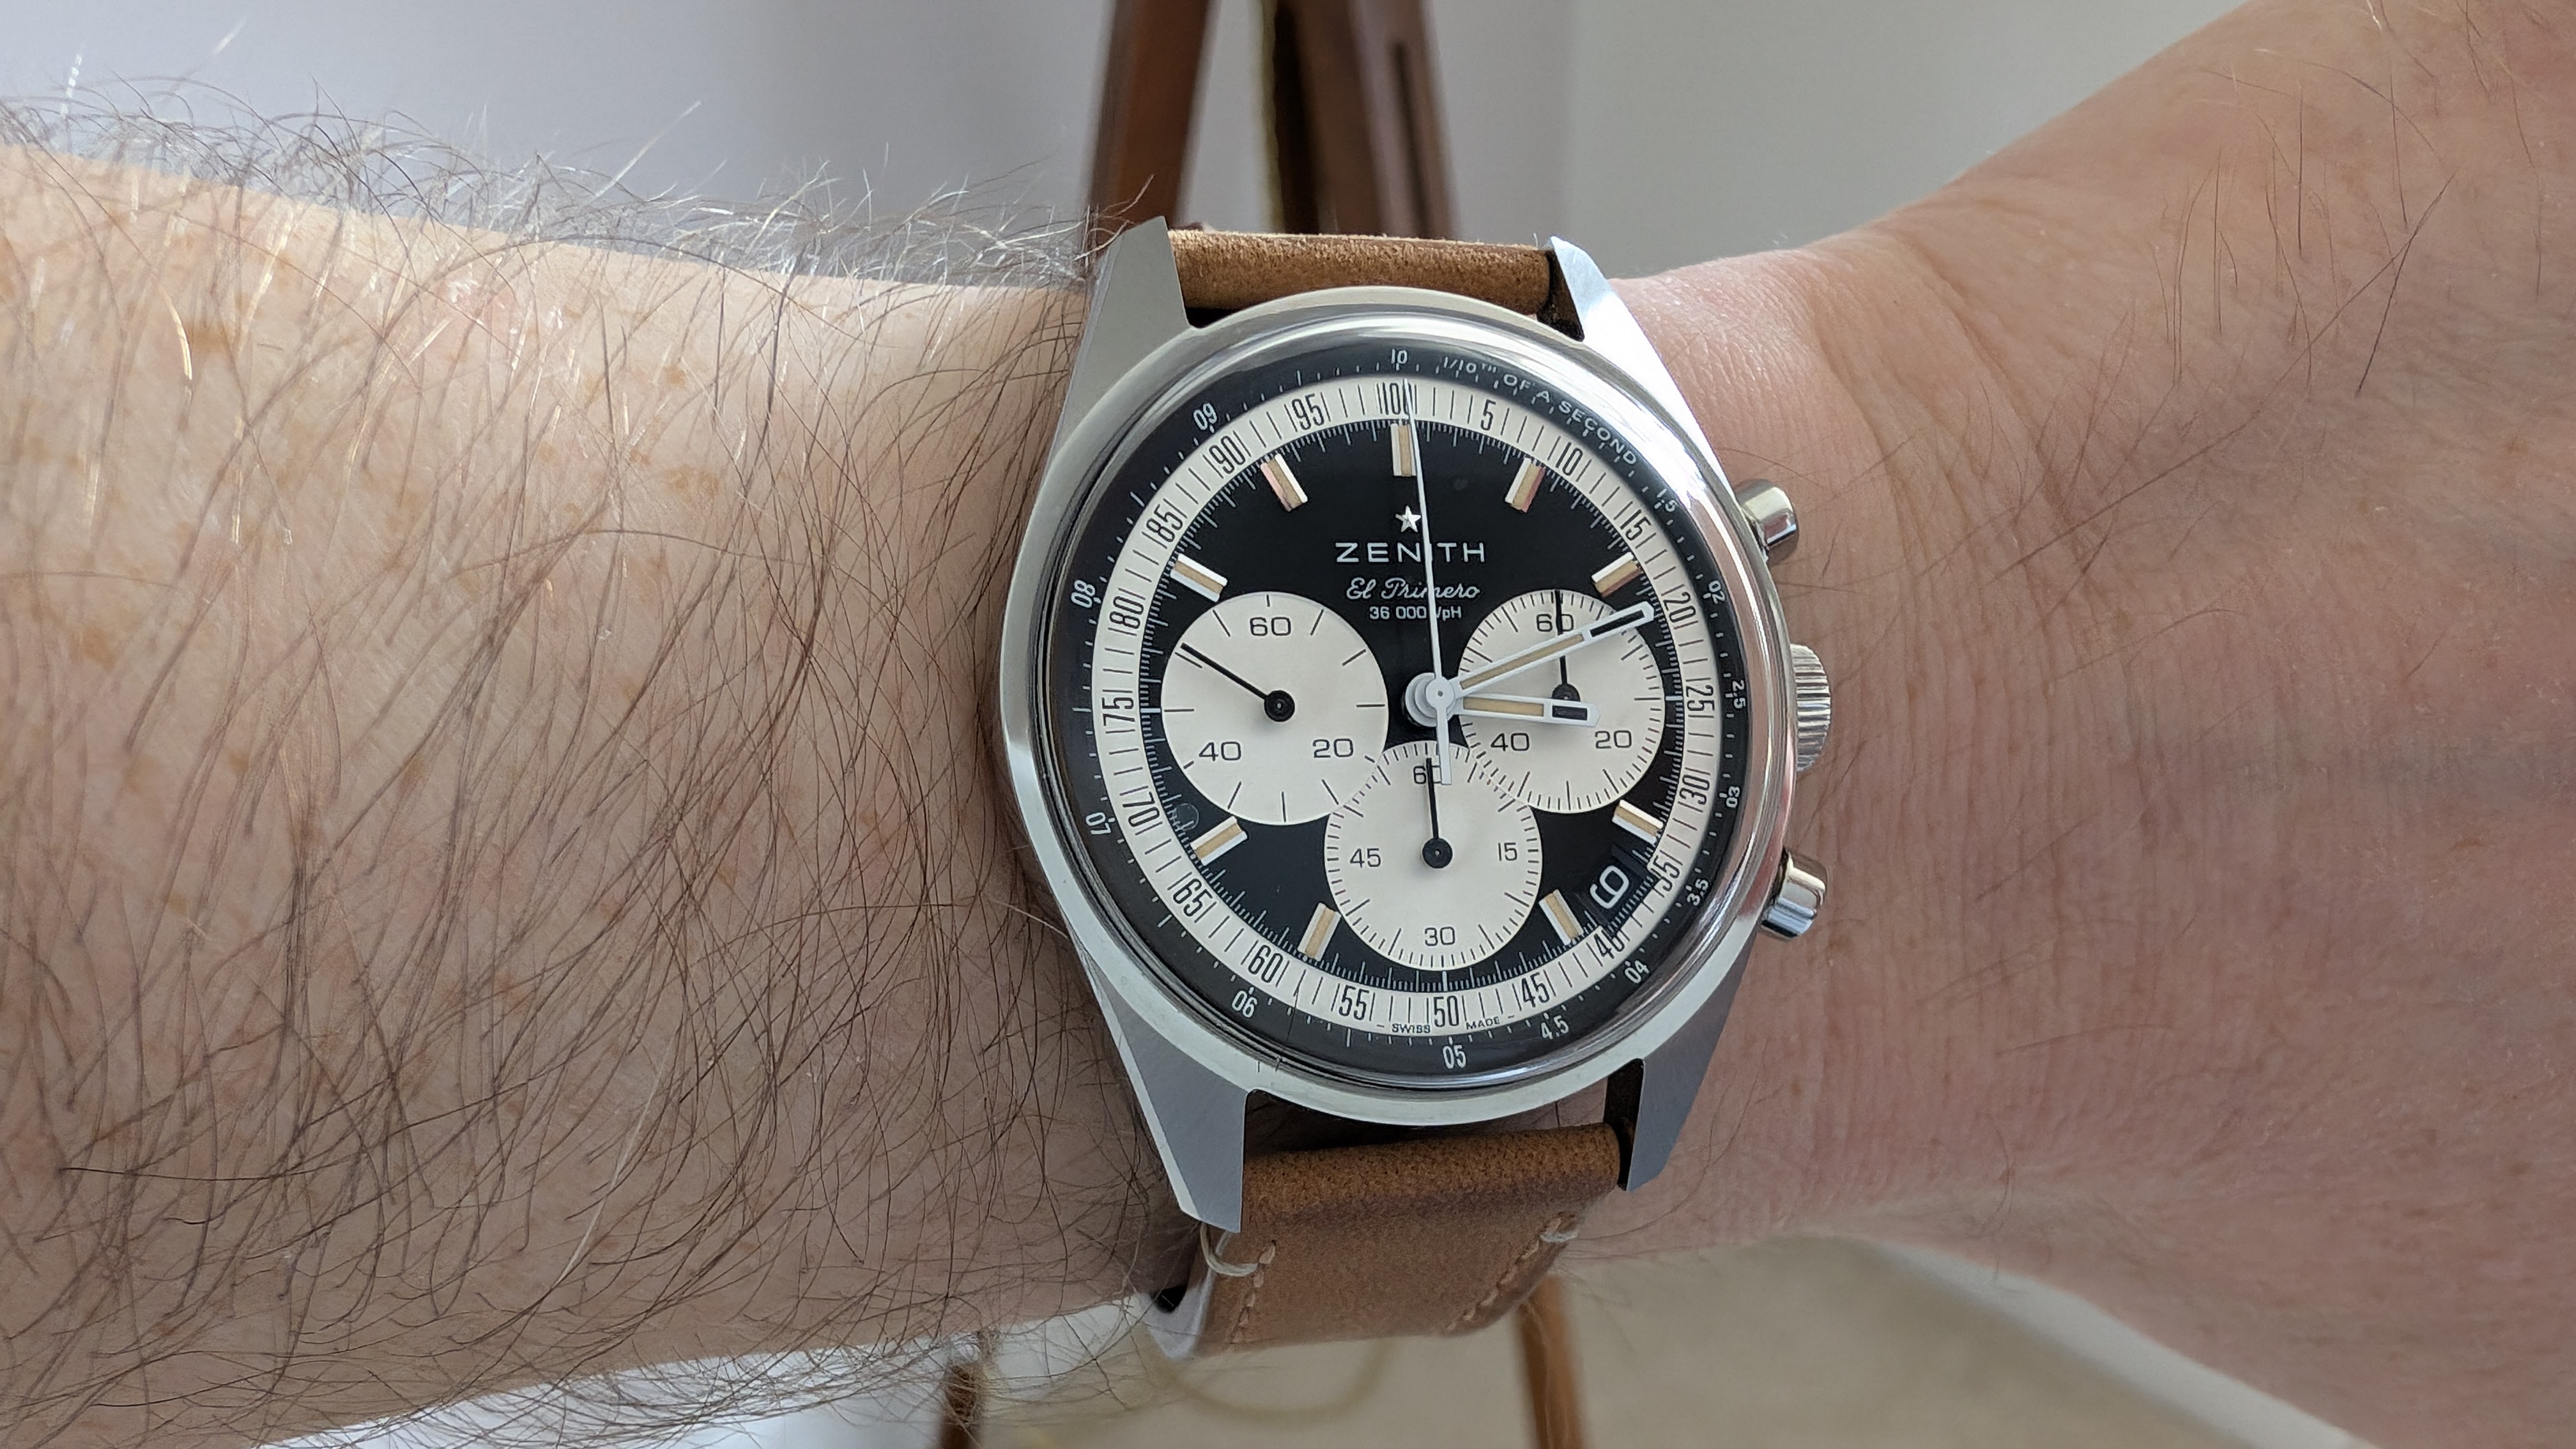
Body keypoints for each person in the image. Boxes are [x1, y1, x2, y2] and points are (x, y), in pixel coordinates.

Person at [2, 1, 2566, 1445]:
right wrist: (2023, 656)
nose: (1441, 703)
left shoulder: (1687, 824)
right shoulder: (1210, 443)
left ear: (1765, 692)